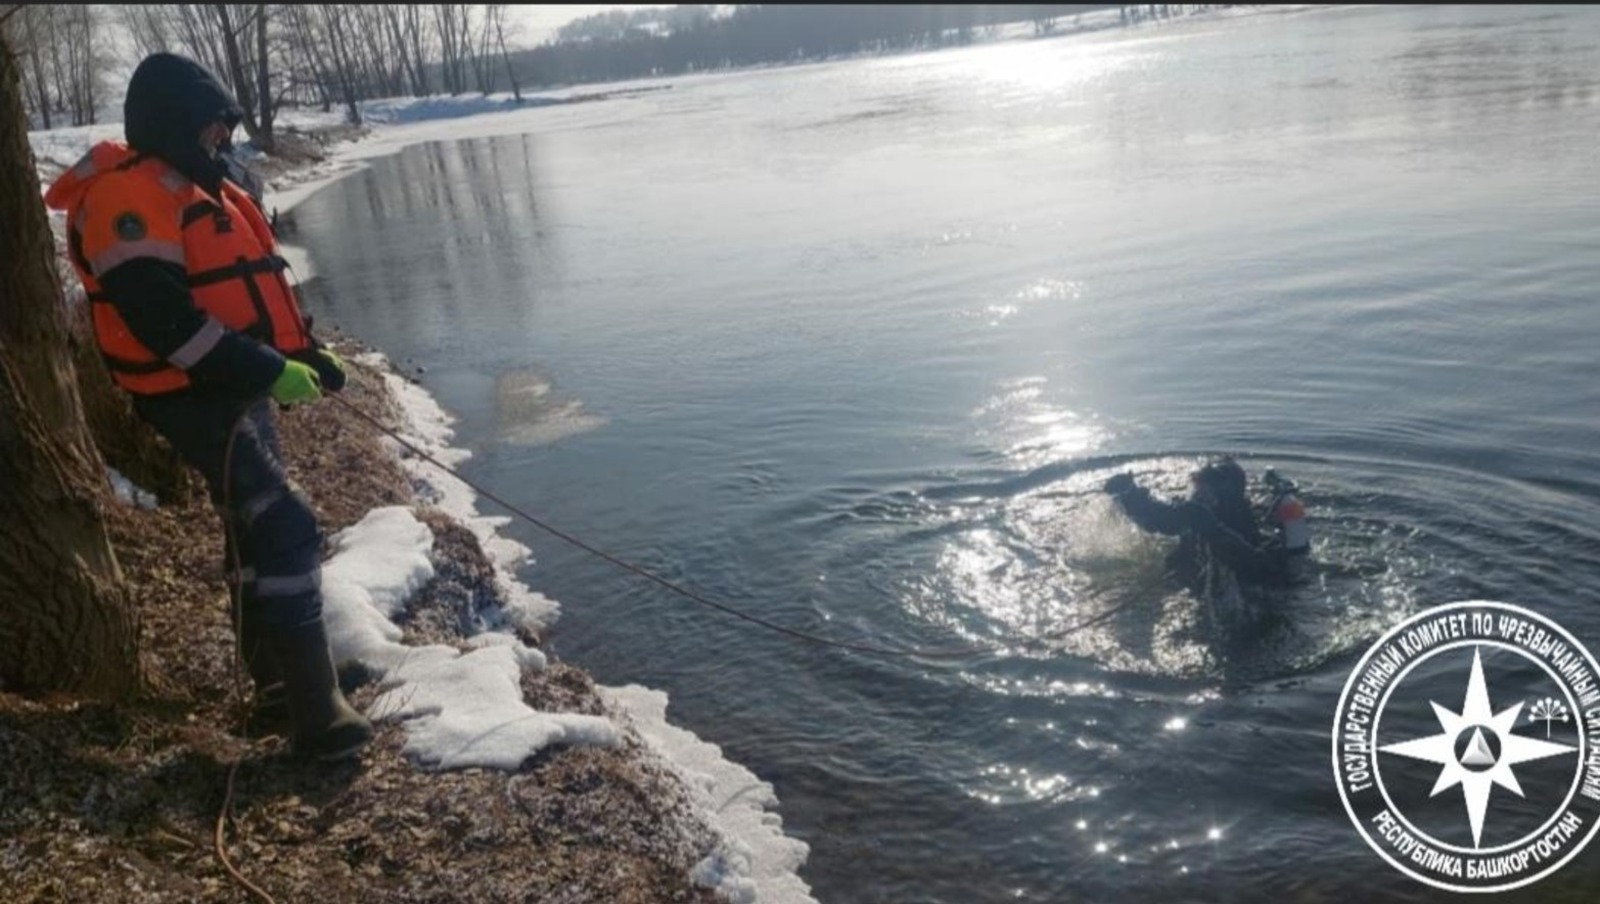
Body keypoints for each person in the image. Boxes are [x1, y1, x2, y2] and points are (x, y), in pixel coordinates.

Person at [44, 53, 372, 761]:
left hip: (233, 384)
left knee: (252, 527)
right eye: (212, 130)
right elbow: (166, 323)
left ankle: (282, 684)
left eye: (225, 131)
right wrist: (268, 370)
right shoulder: (125, 200)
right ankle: (318, 715)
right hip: (187, 394)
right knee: (283, 524)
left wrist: (303, 356)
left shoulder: (205, 189)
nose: (222, 142)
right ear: (172, 124)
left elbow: (252, 291)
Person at [1103, 457, 1311, 596]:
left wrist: (1135, 500)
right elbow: (1166, 518)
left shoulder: (1209, 517)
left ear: (1223, 494)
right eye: (1197, 491)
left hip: (1250, 581)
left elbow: (1178, 517)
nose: (1198, 497)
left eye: (1204, 492)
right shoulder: (1219, 514)